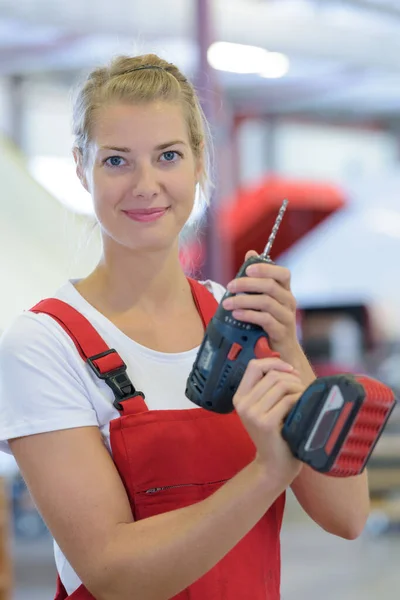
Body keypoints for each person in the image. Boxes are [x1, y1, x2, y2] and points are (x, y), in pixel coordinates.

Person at [0, 54, 370, 600]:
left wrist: (289, 348)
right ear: (81, 167)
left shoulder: (241, 319)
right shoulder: (42, 346)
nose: (146, 185)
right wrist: (267, 473)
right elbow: (113, 573)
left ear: (199, 161)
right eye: (117, 161)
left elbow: (348, 514)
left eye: (168, 155)